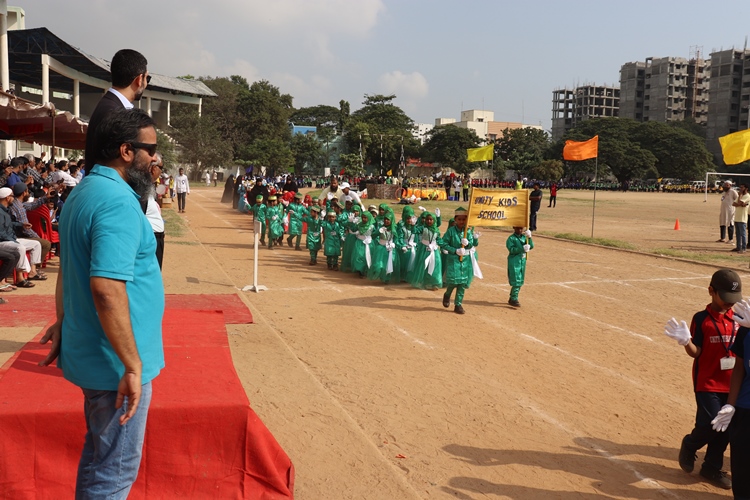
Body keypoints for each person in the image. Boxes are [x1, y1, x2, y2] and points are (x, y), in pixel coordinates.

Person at [38, 108, 163, 498]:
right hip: (115, 365)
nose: (156, 158)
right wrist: (132, 364)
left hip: (99, 354)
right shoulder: (117, 202)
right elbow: (106, 288)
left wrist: (63, 319)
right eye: (151, 149)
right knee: (114, 472)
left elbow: (68, 267)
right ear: (126, 151)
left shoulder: (85, 191)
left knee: (99, 458)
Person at [664, 268, 739, 491]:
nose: (730, 303)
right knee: (710, 424)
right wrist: (686, 342)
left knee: (725, 427)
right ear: (711, 291)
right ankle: (690, 444)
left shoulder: (738, 318)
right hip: (707, 383)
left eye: (733, 298)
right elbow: (696, 352)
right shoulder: (701, 319)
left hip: (733, 384)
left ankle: (712, 467)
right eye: (725, 297)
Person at [85, 49, 149, 169]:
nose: (146, 84)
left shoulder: (109, 106)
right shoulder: (114, 112)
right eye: (147, 78)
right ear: (139, 79)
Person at [712, 297, 750, 499]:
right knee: (741, 469)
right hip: (745, 407)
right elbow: (739, 368)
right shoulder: (746, 326)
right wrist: (731, 404)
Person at [0, 187, 43, 288]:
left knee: (36, 244)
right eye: (12, 196)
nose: (13, 198)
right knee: (20, 248)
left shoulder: (5, 210)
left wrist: (21, 225)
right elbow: (1, 233)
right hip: (3, 241)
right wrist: (12, 240)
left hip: (10, 239)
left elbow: (9, 224)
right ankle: (20, 278)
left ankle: (32, 272)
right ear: (7, 198)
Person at [440, 207, 480, 314]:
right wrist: (455, 250)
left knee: (462, 283)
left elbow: (472, 244)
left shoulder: (468, 232)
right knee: (453, 282)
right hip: (454, 260)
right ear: (455, 220)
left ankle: (458, 304)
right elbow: (443, 243)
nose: (462, 221)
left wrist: (468, 243)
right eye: (459, 219)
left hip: (465, 261)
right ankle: (447, 294)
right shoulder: (450, 231)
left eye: (464, 219)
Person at [408, 211, 442, 290]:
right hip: (424, 249)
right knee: (423, 265)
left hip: (434, 250)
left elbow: (439, 240)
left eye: (431, 219)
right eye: (427, 219)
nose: (429, 221)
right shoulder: (423, 228)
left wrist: (445, 247)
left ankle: (434, 283)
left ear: (434, 220)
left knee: (435, 265)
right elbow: (414, 231)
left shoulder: (436, 230)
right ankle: (423, 282)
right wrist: (413, 225)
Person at [368, 209, 400, 283]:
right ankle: (381, 275)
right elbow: (373, 236)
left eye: (388, 219)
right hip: (381, 249)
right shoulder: (381, 228)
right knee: (379, 264)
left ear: (391, 220)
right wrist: (378, 231)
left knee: (389, 264)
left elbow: (396, 238)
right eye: (385, 219)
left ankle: (386, 278)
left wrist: (394, 243)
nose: (386, 221)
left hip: (390, 249)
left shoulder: (394, 229)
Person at [146, 153, 165, 269]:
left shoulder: (148, 187)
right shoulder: (141, 189)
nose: (161, 172)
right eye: (161, 168)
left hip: (157, 239)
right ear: (153, 168)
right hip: (151, 239)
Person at [507, 227, 533, 307]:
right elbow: (511, 249)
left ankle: (512, 297)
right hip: (514, 261)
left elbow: (531, 246)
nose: (520, 230)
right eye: (518, 229)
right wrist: (522, 248)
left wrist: (530, 238)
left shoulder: (524, 237)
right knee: (516, 279)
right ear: (514, 228)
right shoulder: (511, 238)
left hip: (522, 261)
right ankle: (514, 298)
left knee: (520, 280)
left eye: (521, 229)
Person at [732, 183, 750, 253]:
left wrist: (739, 198)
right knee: (738, 234)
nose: (740, 189)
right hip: (737, 217)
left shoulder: (747, 196)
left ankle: (744, 248)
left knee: (743, 234)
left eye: (742, 187)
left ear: (746, 188)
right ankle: (738, 247)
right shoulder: (740, 196)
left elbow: (739, 202)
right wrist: (740, 204)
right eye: (740, 187)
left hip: (743, 217)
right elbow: (734, 204)